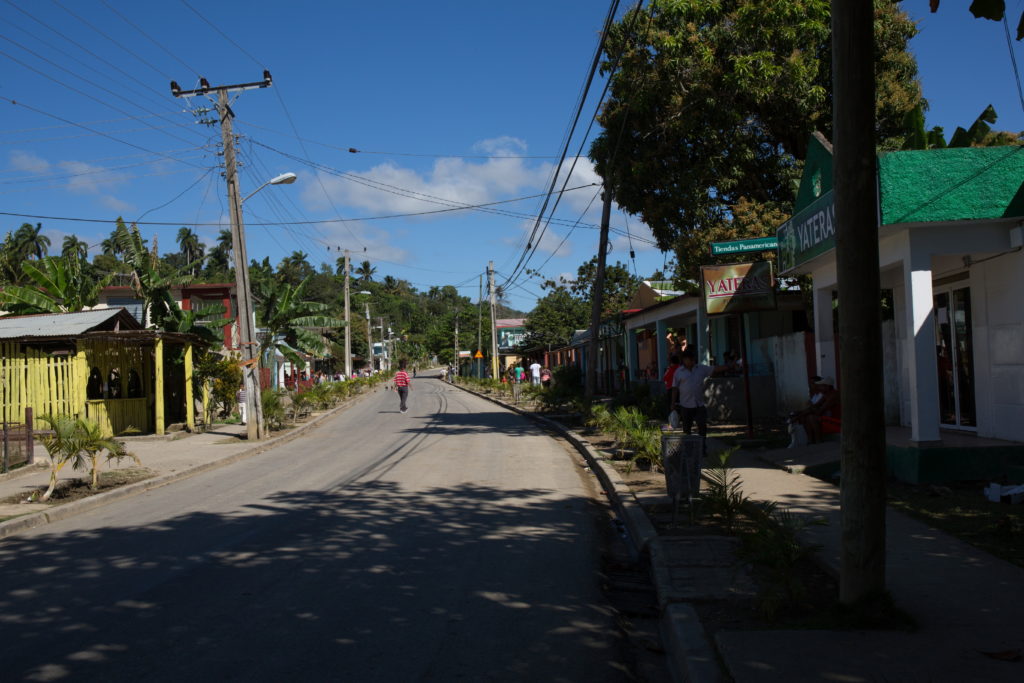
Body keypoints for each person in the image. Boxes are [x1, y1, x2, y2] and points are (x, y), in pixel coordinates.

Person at [672, 348, 734, 453]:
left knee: (702, 427)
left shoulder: (700, 369)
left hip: (699, 404)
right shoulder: (678, 372)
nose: (692, 361)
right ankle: (688, 449)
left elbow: (714, 369)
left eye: (693, 359)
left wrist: (728, 366)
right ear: (684, 360)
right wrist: (672, 403)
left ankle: (702, 448)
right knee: (687, 429)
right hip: (685, 405)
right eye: (689, 359)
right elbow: (674, 388)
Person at [792, 376, 839, 444]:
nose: (819, 388)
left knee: (811, 417)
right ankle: (810, 440)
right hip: (828, 417)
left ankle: (818, 441)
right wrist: (800, 413)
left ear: (827, 387)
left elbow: (819, 411)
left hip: (836, 420)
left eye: (821, 386)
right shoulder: (826, 394)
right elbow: (815, 406)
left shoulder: (833, 395)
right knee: (807, 416)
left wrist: (798, 416)